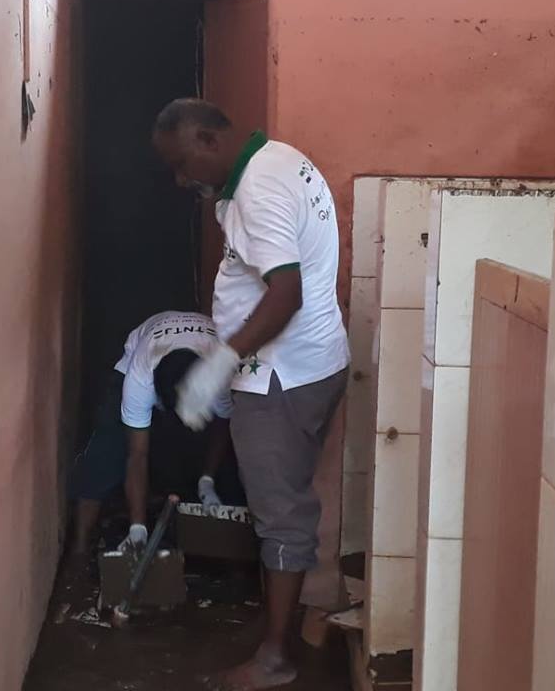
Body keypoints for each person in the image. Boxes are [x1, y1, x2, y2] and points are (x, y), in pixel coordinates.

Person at [153, 99, 350, 691]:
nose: (181, 180)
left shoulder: (258, 191)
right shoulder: (278, 160)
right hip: (312, 363)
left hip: (279, 377)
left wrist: (222, 361)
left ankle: (275, 660)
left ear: (209, 139)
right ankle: (280, 627)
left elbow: (285, 293)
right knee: (285, 504)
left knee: (280, 516)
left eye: (183, 163)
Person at [69, 310, 235, 557]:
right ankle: (79, 549)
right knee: (106, 451)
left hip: (204, 362)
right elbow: (137, 454)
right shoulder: (140, 375)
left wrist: (207, 481)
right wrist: (137, 528)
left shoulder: (219, 374)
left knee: (232, 448)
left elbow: (223, 424)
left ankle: (220, 536)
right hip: (145, 350)